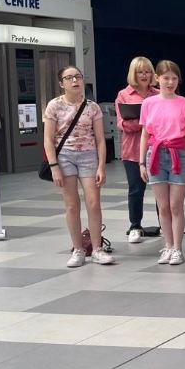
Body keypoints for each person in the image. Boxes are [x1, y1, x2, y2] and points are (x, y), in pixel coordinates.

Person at [45, 65, 111, 268]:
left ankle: (97, 248)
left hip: (88, 156)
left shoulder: (92, 107)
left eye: (78, 77)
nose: (75, 81)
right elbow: (48, 140)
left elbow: (100, 140)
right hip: (64, 157)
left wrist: (101, 166)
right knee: (72, 205)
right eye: (69, 78)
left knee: (93, 202)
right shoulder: (54, 106)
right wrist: (54, 166)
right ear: (61, 83)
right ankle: (78, 249)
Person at [139, 60, 185, 266]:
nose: (170, 82)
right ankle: (168, 245)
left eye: (174, 78)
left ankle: (178, 248)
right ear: (157, 78)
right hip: (155, 154)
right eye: (166, 78)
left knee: (176, 205)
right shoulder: (148, 103)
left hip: (179, 154)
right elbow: (145, 134)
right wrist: (141, 162)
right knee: (162, 206)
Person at [116, 56, 158, 243]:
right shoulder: (124, 95)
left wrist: (141, 123)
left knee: (161, 189)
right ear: (133, 74)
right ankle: (135, 225)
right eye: (140, 72)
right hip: (132, 150)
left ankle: (166, 224)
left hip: (157, 148)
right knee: (135, 189)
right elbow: (122, 124)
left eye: (148, 71)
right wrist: (145, 124)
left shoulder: (158, 94)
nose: (144, 75)